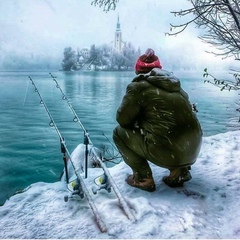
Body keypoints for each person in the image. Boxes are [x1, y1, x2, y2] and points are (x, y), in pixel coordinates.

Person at [113, 48, 202, 192]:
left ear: (138, 69)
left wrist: (139, 120)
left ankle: (143, 178)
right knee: (176, 125)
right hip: (192, 148)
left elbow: (123, 120)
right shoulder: (175, 86)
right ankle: (179, 172)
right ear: (158, 69)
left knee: (119, 133)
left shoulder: (138, 87)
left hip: (169, 151)